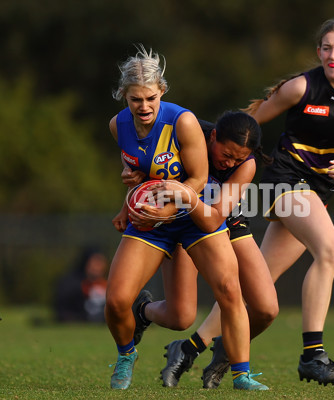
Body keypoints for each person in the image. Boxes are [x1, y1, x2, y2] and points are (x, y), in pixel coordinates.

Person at [105, 45, 267, 391]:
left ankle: (242, 375)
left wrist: (169, 206)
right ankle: (125, 354)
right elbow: (138, 169)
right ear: (124, 96)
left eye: (150, 98)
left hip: (199, 215)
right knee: (118, 300)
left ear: (162, 91)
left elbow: (196, 181)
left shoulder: (184, 121)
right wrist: (127, 203)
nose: (144, 106)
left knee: (230, 289)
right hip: (156, 220)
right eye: (136, 100)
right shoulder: (118, 126)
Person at [244, 18, 334, 385]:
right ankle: (313, 355)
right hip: (286, 182)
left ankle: (194, 348)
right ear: (319, 53)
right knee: (330, 251)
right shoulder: (301, 87)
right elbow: (244, 127)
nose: (333, 55)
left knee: (259, 281)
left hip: (317, 192)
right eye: (326, 48)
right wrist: (199, 144)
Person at [125, 111, 278, 388]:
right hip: (181, 220)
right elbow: (146, 162)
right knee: (180, 315)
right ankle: (143, 311)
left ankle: (226, 357)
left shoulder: (247, 165)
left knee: (266, 308)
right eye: (227, 153)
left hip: (222, 218)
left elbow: (215, 217)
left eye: (238, 158)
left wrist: (189, 196)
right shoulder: (187, 135)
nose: (229, 162)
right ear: (214, 136)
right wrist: (132, 174)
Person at [53, 247, 108, 323]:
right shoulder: (71, 284)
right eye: (95, 262)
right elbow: (62, 312)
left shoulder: (108, 284)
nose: (98, 266)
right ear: (86, 262)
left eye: (101, 261)